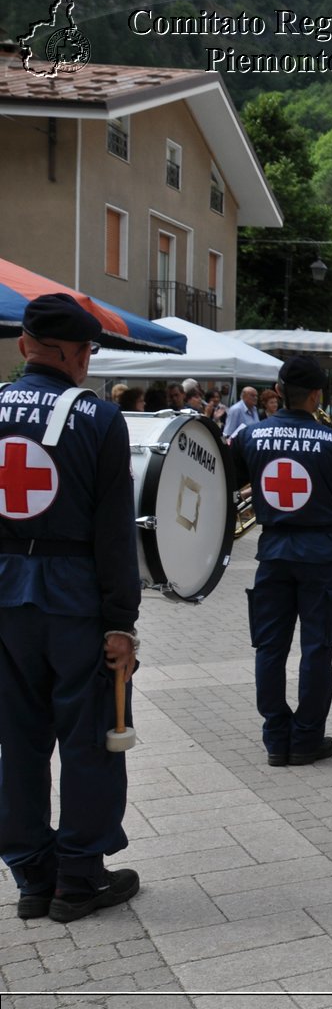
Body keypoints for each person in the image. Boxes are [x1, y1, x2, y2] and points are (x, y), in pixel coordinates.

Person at [0, 294, 142, 922]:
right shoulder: (98, 418)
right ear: (64, 351)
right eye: (87, 350)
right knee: (90, 740)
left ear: (25, 345)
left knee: (15, 742)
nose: (89, 361)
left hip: (3, 591)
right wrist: (121, 621)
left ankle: (32, 877)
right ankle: (79, 879)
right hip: (74, 596)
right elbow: (115, 530)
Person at [233, 355, 332, 767]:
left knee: (270, 646)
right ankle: (307, 737)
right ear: (318, 394)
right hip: (321, 552)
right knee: (317, 648)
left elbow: (230, 483)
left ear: (278, 392)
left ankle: (275, 736)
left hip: (272, 551)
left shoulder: (250, 436)